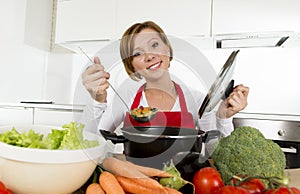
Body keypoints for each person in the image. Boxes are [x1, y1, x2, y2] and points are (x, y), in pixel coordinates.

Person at [80, 21, 249, 138]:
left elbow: (214, 151)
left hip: (185, 182)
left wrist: (224, 119)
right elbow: (90, 140)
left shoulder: (197, 100)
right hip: (137, 178)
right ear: (132, 66)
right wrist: (97, 100)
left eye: (154, 45)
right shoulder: (125, 98)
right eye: (137, 53)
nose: (149, 56)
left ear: (167, 49)